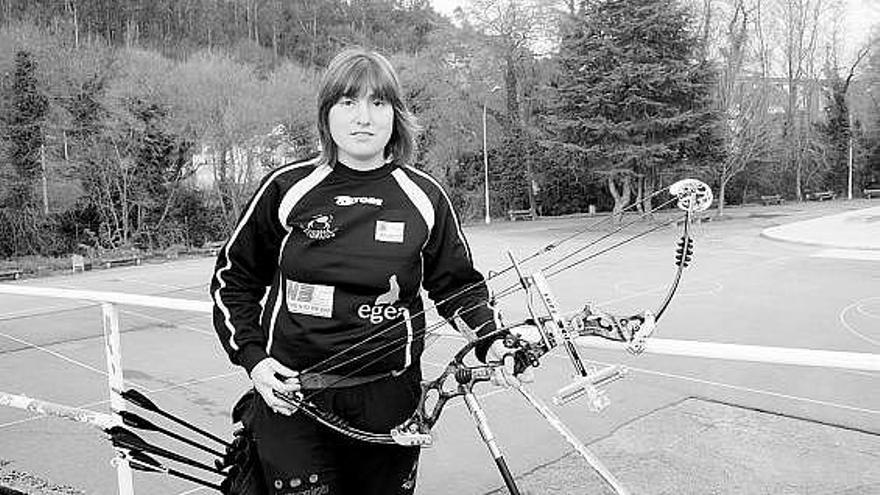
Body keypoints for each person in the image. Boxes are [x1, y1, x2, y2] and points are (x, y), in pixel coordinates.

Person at [210, 47, 525, 495]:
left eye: (378, 103)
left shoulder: (424, 197)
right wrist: (255, 360)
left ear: (395, 115)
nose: (363, 117)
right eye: (347, 102)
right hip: (292, 401)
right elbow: (232, 279)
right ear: (327, 114)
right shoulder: (287, 188)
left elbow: (456, 287)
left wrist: (493, 343)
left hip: (389, 401)